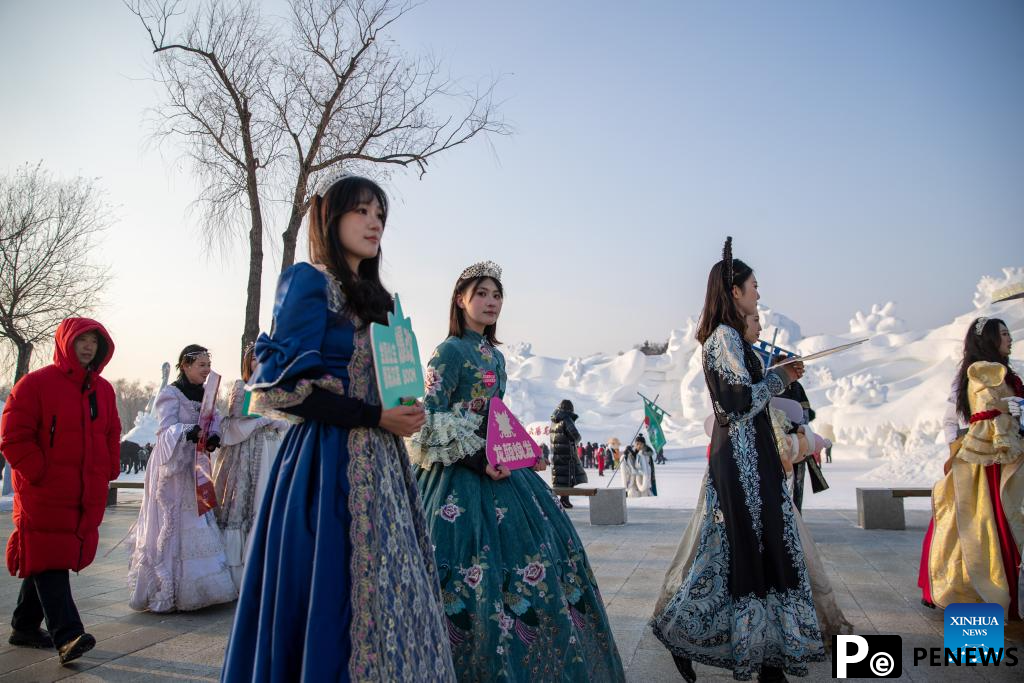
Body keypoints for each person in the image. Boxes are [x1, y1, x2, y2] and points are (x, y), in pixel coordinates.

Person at [221, 173, 454, 681]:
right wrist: (373, 416)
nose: (374, 224)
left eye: (380, 216)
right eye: (362, 211)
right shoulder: (310, 282)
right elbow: (279, 392)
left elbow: (391, 386)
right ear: (332, 219)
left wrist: (404, 411)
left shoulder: (382, 302)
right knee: (330, 592)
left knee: (397, 592)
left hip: (387, 469)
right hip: (324, 468)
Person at [408, 262, 625, 682]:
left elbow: (498, 416)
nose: (491, 302)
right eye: (482, 294)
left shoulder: (496, 356)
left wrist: (525, 453)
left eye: (497, 295)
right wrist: (475, 460)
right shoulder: (448, 351)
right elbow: (429, 418)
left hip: (505, 474)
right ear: (460, 299)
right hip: (458, 475)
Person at [651, 237, 822, 682]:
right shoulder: (723, 338)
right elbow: (735, 404)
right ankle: (705, 640)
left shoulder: (731, 339)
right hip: (742, 461)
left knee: (745, 551)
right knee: (749, 549)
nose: (758, 293)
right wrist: (778, 380)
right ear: (734, 292)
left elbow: (747, 394)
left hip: (753, 456)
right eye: (754, 286)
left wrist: (777, 376)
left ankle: (765, 658)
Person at [1, 319, 121, 664]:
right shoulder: (35, 385)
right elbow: (13, 437)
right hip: (44, 491)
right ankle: (67, 635)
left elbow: (112, 432)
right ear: (65, 343)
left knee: (51, 555)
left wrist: (109, 469)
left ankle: (24, 625)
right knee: (50, 555)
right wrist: (40, 472)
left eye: (93, 342)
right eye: (80, 340)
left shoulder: (103, 390)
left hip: (83, 491)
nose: (87, 347)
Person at [918, 317, 1023, 619]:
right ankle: (961, 588)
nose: (1009, 339)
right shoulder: (968, 374)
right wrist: (954, 450)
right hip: (981, 459)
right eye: (1003, 334)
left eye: (1008, 333)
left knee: (1003, 515)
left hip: (1009, 452)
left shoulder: (1011, 375)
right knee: (970, 520)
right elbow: (952, 418)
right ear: (989, 340)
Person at [127, 345, 236, 613]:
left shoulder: (207, 394)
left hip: (196, 466)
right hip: (172, 469)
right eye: (201, 365)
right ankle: (168, 588)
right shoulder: (170, 394)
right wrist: (188, 431)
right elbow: (165, 431)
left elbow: (216, 421)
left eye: (208, 365)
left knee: (198, 516)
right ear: (185, 365)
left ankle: (203, 587)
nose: (206, 370)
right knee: (173, 521)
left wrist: (212, 435)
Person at [213, 344, 291, 590]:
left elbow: (289, 421)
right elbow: (237, 418)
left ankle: (268, 571)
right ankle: (239, 574)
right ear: (247, 363)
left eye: (264, 359)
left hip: (272, 452)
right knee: (244, 502)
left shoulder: (279, 388)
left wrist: (275, 420)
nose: (259, 363)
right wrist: (264, 419)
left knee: (268, 502)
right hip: (245, 454)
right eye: (255, 359)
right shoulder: (240, 387)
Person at [551, 399, 588, 507]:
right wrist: (574, 442)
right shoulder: (566, 419)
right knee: (569, 476)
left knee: (560, 477)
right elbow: (576, 435)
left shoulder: (554, 421)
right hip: (567, 454)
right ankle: (564, 499)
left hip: (556, 453)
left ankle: (563, 499)